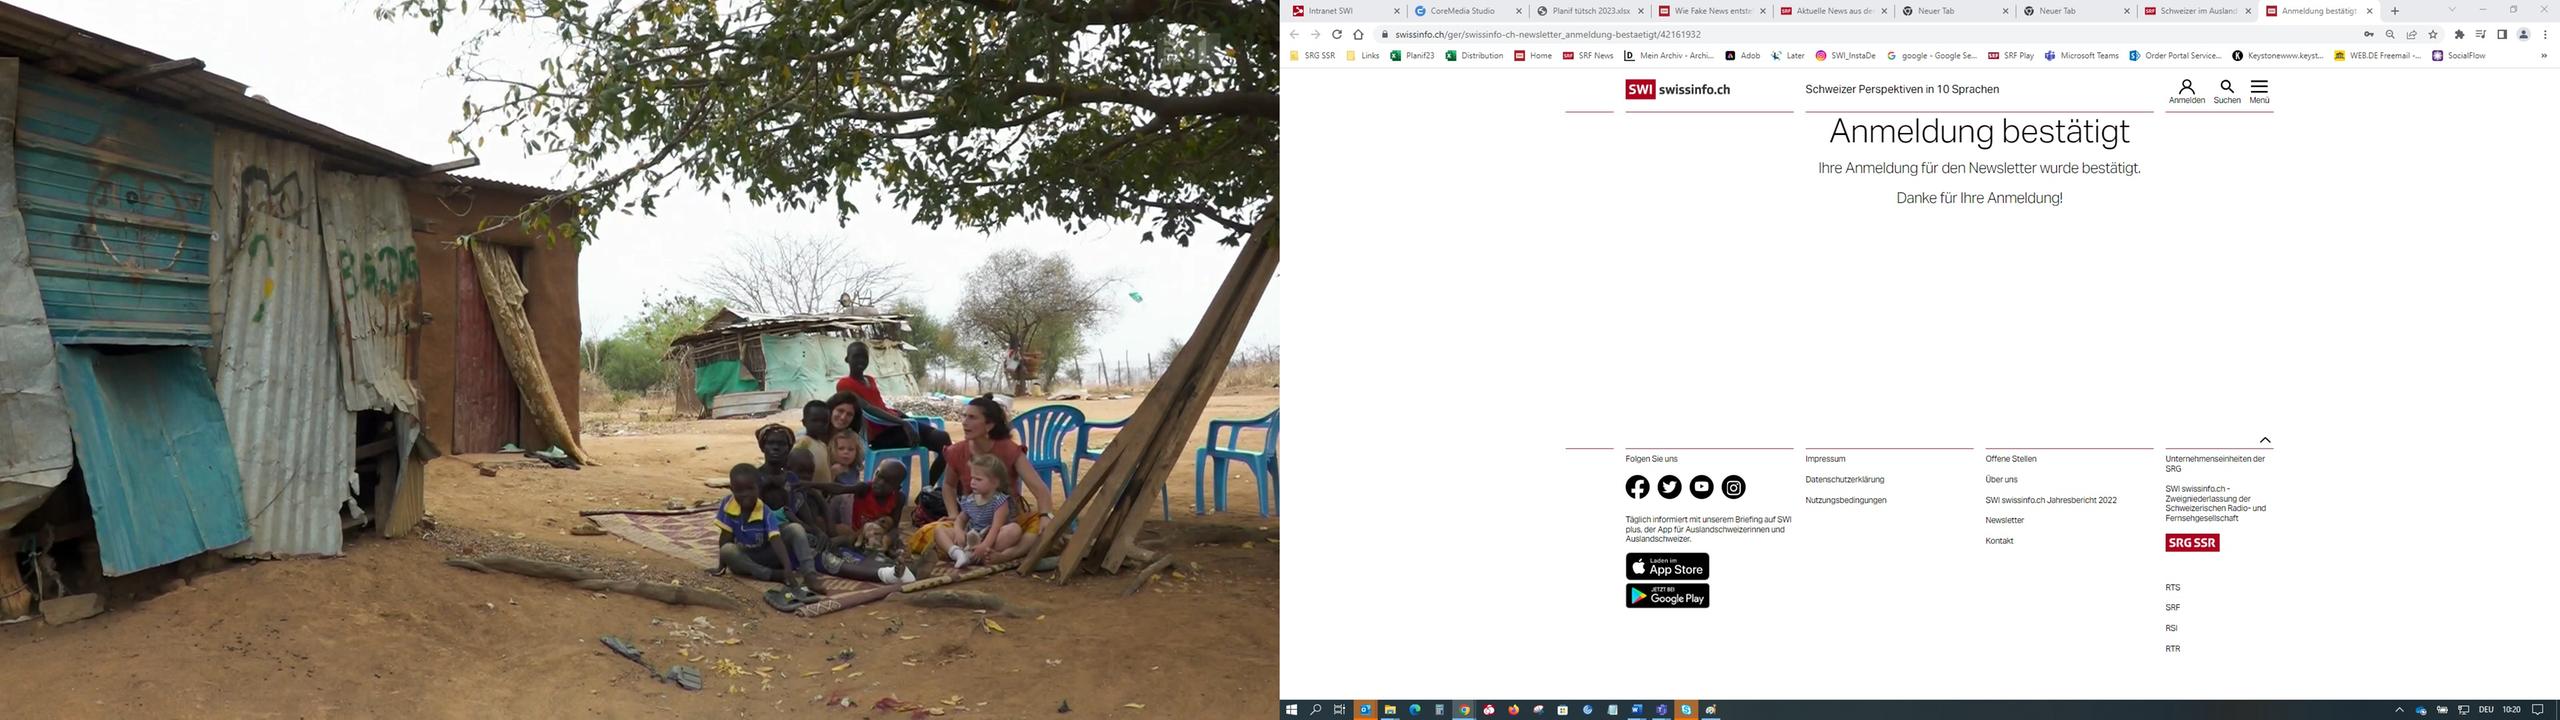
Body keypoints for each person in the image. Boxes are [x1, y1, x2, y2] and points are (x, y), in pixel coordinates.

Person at [907, 395, 1057, 567]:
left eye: (972, 417)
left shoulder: (1009, 450)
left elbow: (1040, 489)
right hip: (972, 520)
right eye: (964, 416)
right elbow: (948, 486)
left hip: (1006, 521)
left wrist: (1046, 515)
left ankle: (1004, 555)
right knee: (926, 533)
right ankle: (976, 552)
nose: (964, 422)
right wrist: (954, 516)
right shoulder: (957, 451)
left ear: (989, 425)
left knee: (1040, 525)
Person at [839, 341, 950, 486]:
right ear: (847, 359)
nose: (861, 360)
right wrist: (902, 423)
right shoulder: (844, 384)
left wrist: (903, 418)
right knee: (942, 443)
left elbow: (881, 406)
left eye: (864, 357)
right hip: (881, 434)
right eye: (856, 356)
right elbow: (867, 408)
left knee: (945, 441)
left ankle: (928, 489)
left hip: (894, 424)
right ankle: (926, 494)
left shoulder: (870, 380)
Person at [716, 463, 821, 595]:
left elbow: (776, 540)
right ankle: (771, 575)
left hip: (769, 554)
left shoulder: (765, 511)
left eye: (750, 489)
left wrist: (788, 568)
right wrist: (721, 566)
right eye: (739, 490)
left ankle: (810, 574)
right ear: (732, 489)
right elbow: (725, 536)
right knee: (727, 550)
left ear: (758, 488)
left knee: (796, 529)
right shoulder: (728, 505)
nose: (745, 495)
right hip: (746, 559)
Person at [931, 454, 1021, 570]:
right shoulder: (971, 499)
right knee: (939, 531)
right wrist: (958, 531)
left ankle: (976, 555)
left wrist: (984, 546)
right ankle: (957, 553)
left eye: (978, 479)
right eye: (972, 478)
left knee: (1014, 530)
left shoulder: (1000, 501)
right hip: (970, 537)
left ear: (995, 482)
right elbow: (960, 519)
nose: (972, 482)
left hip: (989, 537)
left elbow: (995, 528)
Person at [832, 459, 909, 560]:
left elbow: (894, 526)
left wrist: (887, 539)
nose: (880, 483)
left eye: (887, 482)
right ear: (876, 472)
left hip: (877, 534)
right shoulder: (864, 489)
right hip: (855, 532)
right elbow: (840, 489)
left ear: (896, 487)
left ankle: (885, 555)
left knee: (897, 541)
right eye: (879, 476)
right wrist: (811, 485)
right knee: (842, 533)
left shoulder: (898, 498)